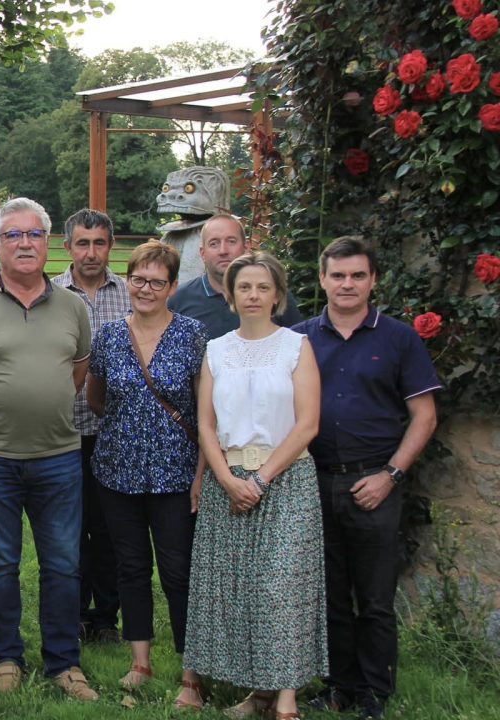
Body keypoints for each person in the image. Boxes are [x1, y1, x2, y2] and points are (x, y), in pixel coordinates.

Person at [0, 198, 99, 701]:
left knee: (63, 563)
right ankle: (5, 655)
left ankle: (64, 663)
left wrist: (36, 406)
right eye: (14, 235)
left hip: (58, 457)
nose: (25, 243)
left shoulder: (75, 307)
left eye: (34, 234)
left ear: (48, 243)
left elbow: (76, 374)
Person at [295, 237, 440, 720]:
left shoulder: (398, 338)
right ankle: (339, 686)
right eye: (338, 275)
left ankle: (376, 693)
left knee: (375, 599)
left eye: (358, 275)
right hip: (314, 483)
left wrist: (392, 475)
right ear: (322, 279)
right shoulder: (299, 339)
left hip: (375, 482)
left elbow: (424, 416)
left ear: (373, 280)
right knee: (330, 594)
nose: (347, 284)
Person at [185, 251, 325, 720]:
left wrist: (261, 480)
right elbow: (205, 424)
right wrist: (226, 479)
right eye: (244, 287)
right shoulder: (216, 350)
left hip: (286, 480)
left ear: (278, 296)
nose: (253, 295)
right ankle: (256, 692)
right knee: (236, 589)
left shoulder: (296, 347)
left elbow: (307, 424)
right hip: (230, 481)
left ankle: (285, 698)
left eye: (263, 287)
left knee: (279, 589)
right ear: (230, 295)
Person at [85, 241, 207, 711]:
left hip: (176, 475)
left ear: (173, 287)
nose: (146, 288)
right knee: (130, 567)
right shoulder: (110, 336)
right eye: (138, 278)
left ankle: (191, 671)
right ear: (128, 279)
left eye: (158, 281)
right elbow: (97, 397)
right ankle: (140, 661)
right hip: (117, 472)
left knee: (178, 572)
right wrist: (129, 427)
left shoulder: (193, 336)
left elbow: (204, 413)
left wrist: (200, 474)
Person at [52, 208, 130, 645]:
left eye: (99, 243)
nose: (91, 252)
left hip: (115, 434)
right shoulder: (51, 294)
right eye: (82, 243)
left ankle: (106, 617)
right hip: (64, 433)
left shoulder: (130, 294)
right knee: (68, 529)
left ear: (110, 246)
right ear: (67, 247)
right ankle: (75, 613)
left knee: (109, 529)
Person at [169, 214, 303, 337]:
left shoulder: (272, 295)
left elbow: (295, 348)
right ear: (203, 253)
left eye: (231, 241)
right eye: (214, 243)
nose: (223, 251)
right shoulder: (179, 299)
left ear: (246, 248)